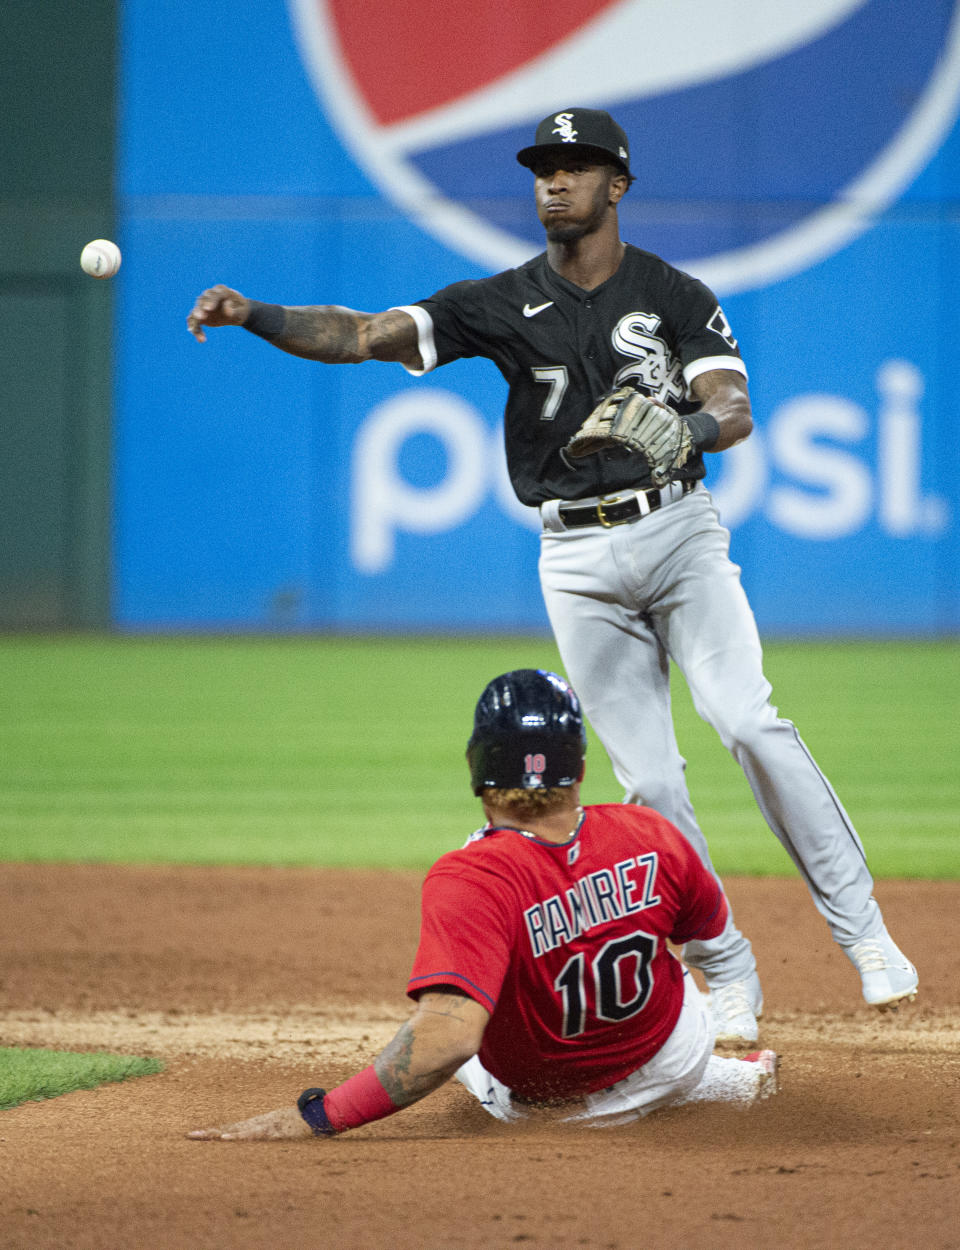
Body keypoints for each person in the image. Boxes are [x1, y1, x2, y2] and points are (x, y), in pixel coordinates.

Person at [187, 106, 918, 1044]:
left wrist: (687, 430)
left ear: (618, 185)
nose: (554, 183)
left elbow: (731, 409)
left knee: (747, 718)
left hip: (680, 533)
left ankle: (864, 936)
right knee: (648, 786)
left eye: (576, 168)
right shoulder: (494, 301)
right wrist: (256, 315)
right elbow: (362, 333)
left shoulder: (675, 292)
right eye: (543, 168)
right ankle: (726, 969)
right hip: (572, 556)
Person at [189, 669, 778, 1142]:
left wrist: (320, 1116)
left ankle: (700, 1083)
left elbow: (448, 1042)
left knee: (455, 1016)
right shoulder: (649, 831)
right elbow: (710, 930)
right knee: (652, 960)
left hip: (563, 1113)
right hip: (678, 1051)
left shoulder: (470, 877)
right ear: (578, 765)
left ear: (477, 768)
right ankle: (719, 1079)